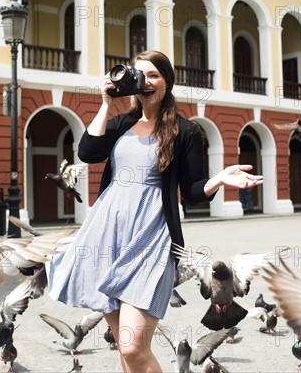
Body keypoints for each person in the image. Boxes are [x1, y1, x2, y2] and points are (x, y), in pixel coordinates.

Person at [47, 50, 263, 373]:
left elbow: (191, 193)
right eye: (139, 75)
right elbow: (87, 151)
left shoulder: (185, 131)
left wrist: (218, 179)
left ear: (166, 81)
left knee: (134, 346)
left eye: (153, 75)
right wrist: (107, 104)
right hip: (107, 234)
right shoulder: (121, 124)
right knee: (124, 346)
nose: (145, 82)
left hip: (151, 239)